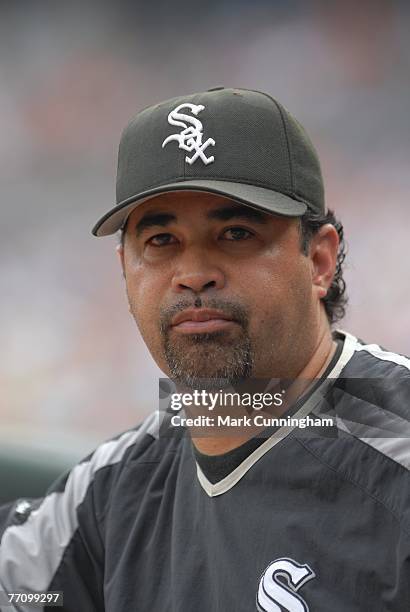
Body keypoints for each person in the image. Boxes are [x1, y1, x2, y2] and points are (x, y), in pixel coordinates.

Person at [0, 87, 409, 611]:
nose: (193, 275)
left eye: (236, 233)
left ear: (320, 260)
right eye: (161, 241)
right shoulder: (111, 493)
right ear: (125, 270)